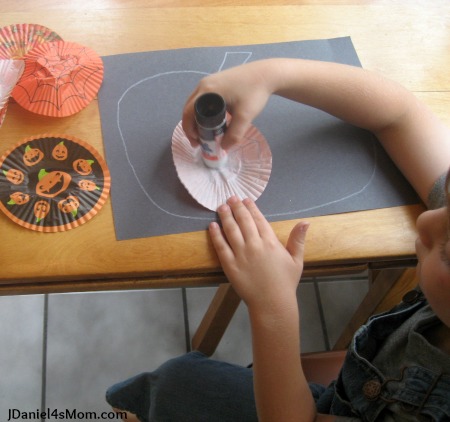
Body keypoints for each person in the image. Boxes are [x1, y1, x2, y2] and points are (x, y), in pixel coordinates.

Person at [106, 59, 450, 421]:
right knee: (176, 384)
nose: (426, 219)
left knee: (178, 384)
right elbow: (400, 114)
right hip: (353, 387)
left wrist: (274, 305)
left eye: (448, 250)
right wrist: (270, 75)